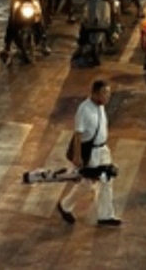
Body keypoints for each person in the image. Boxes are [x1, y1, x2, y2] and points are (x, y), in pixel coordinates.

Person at [57, 79, 122, 227]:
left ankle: (106, 216)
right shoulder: (84, 109)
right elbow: (78, 135)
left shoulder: (100, 106)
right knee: (87, 184)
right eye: (104, 93)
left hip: (103, 150)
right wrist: (77, 156)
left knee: (107, 180)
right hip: (91, 152)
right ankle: (65, 205)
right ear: (94, 93)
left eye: (108, 93)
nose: (107, 97)